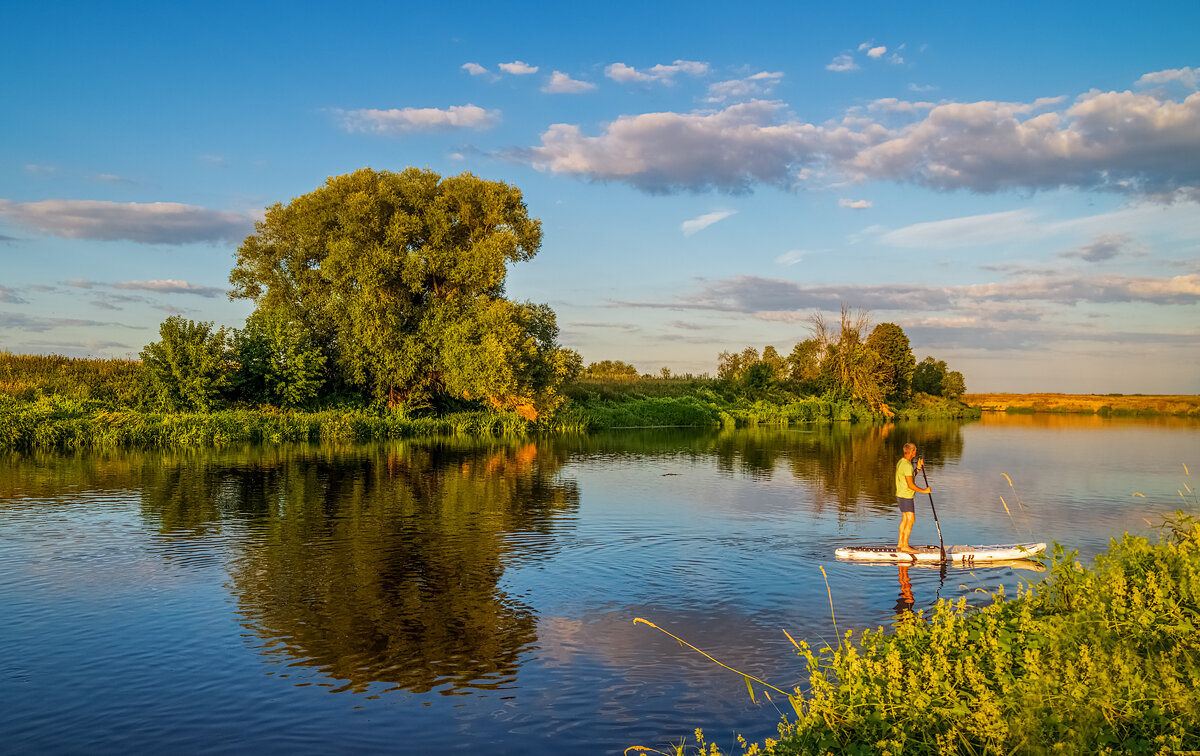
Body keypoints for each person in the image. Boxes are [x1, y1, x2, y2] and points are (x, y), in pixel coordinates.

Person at [895, 442, 931, 554]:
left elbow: (910, 477)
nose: (916, 452)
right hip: (906, 495)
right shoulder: (907, 465)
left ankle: (900, 544)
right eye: (915, 450)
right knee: (911, 519)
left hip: (901, 495)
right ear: (911, 452)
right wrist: (924, 491)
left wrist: (918, 468)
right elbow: (910, 485)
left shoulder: (902, 462)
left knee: (905, 519)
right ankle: (905, 546)